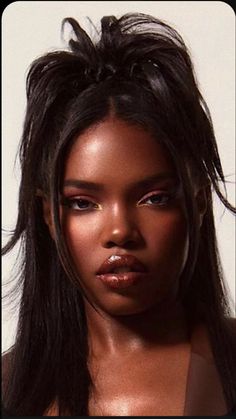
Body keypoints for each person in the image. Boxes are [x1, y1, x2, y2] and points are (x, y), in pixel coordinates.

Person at [2, 12, 236, 416]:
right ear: (47, 216)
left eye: (154, 197)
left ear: (197, 202)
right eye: (82, 203)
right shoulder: (10, 387)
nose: (120, 231)